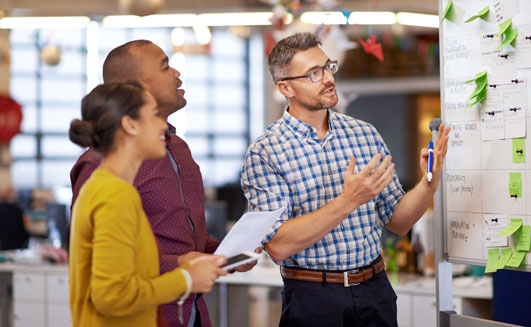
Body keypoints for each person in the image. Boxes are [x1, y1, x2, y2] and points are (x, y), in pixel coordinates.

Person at [241, 32, 450, 326]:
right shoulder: (265, 152)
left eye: (328, 67)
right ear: (285, 87)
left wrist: (429, 183)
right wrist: (348, 201)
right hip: (313, 297)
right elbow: (278, 244)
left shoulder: (364, 133)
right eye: (314, 73)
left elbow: (399, 222)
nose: (328, 78)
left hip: (375, 289)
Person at [70, 40, 257, 327]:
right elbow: (109, 289)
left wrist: (220, 256)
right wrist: (184, 272)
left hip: (187, 311)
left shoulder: (175, 150)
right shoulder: (108, 186)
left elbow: (173, 244)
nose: (163, 127)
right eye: (165, 65)